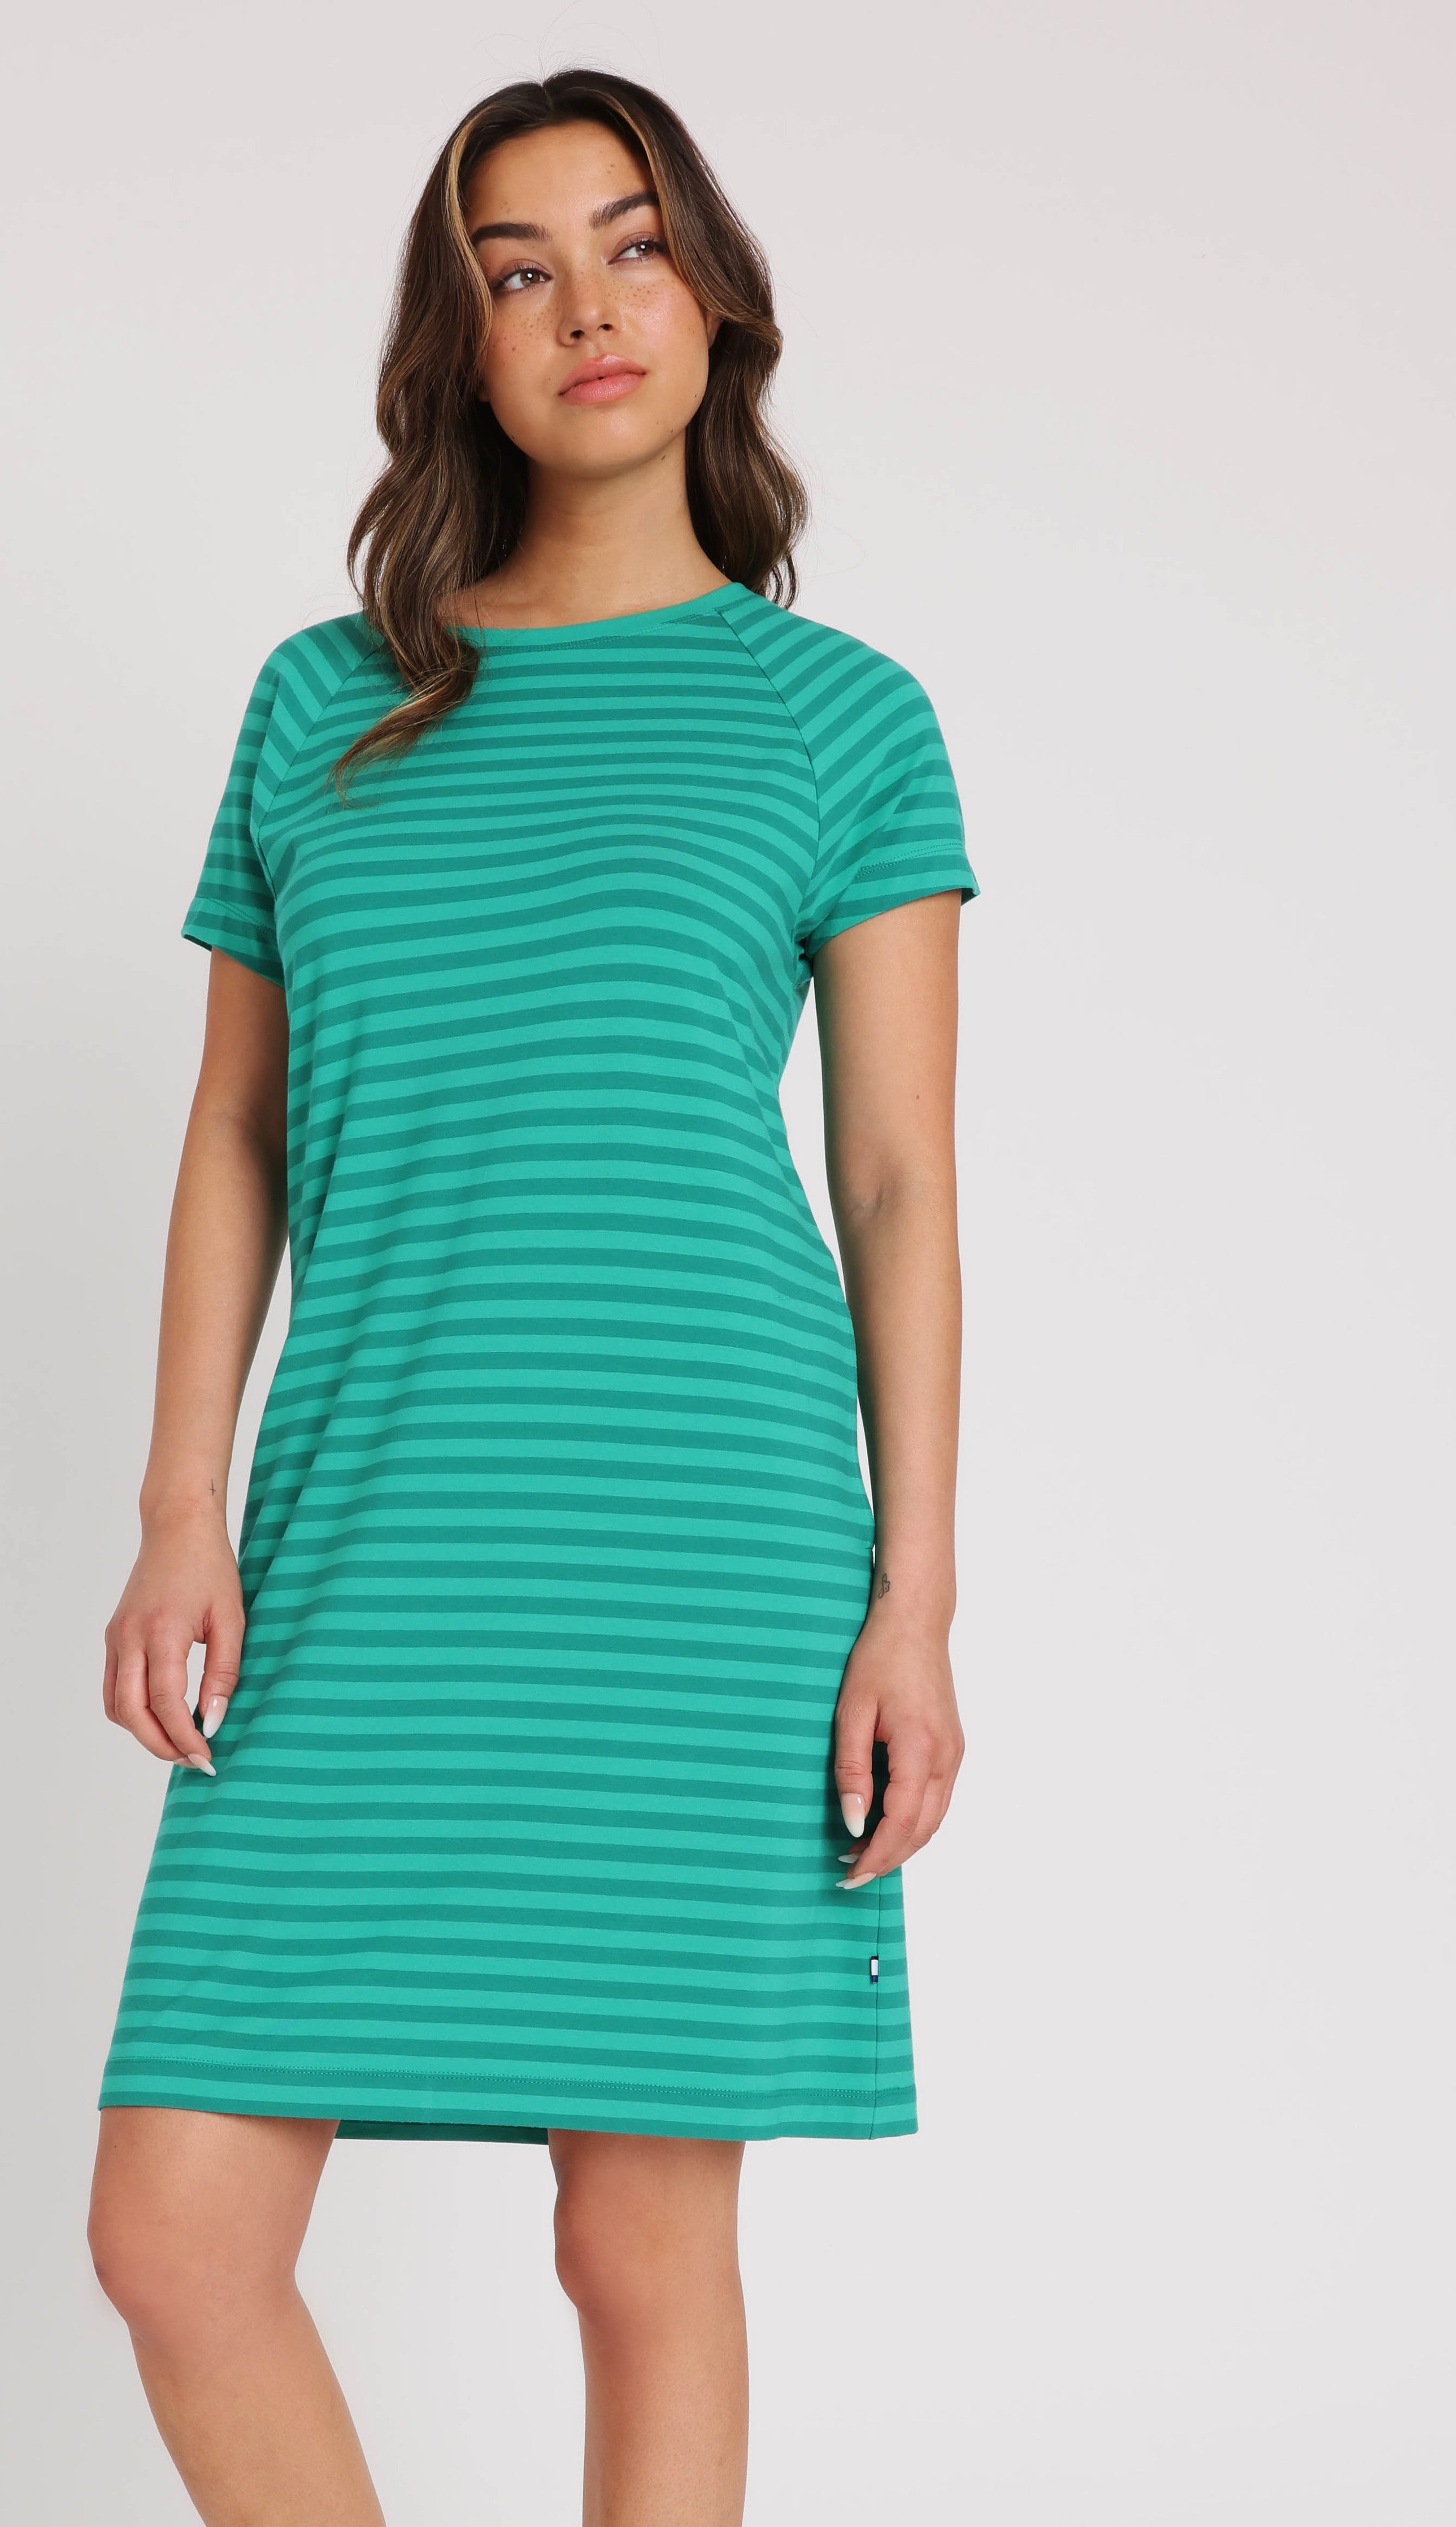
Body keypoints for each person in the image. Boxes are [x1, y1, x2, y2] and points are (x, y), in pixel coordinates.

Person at [86, 66, 977, 2527]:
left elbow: (898, 1180)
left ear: (714, 298)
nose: (587, 304)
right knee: (175, 2233)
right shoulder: (322, 700)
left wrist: (912, 1600)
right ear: (459, 346)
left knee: (636, 2238)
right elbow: (238, 1132)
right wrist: (180, 1508)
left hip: (699, 1539)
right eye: (517, 268)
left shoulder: (843, 719)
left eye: (631, 243)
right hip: (370, 1524)